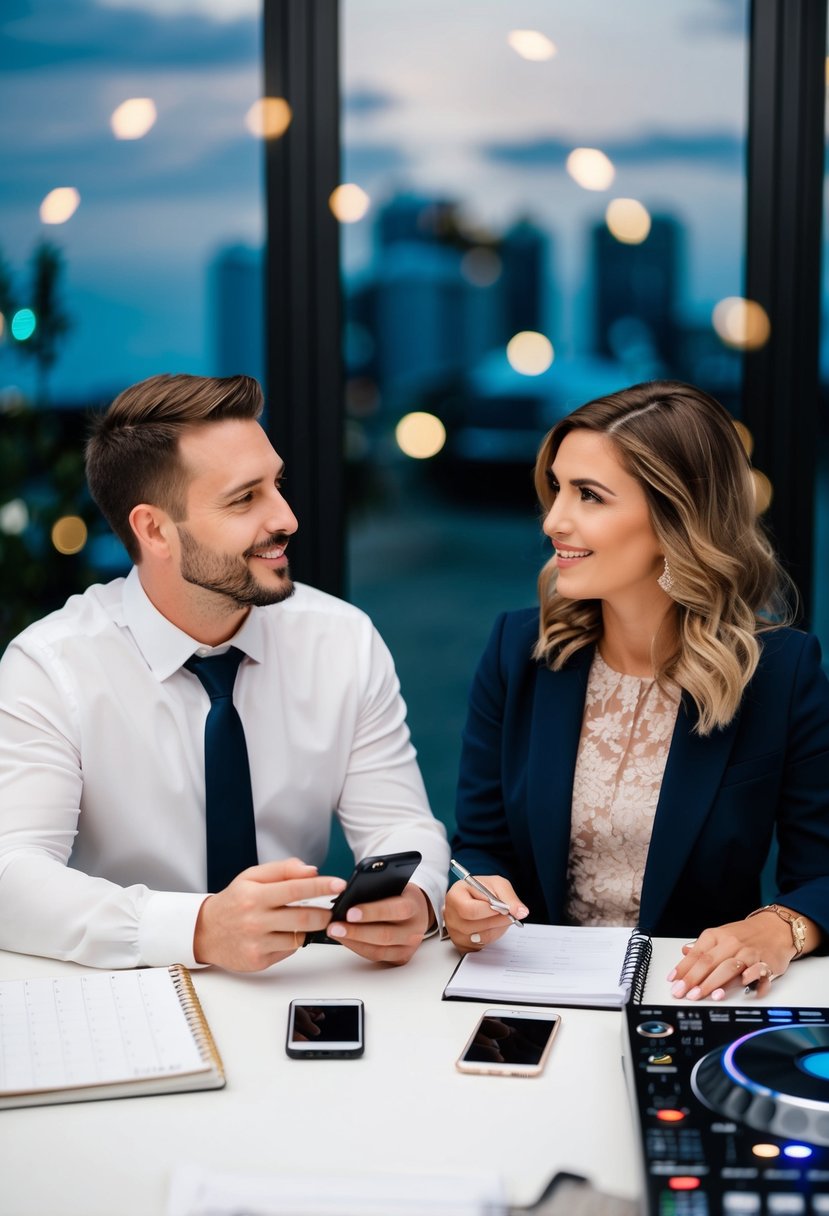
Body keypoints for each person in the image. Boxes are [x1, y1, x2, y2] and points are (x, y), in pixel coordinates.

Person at [0, 373, 449, 971]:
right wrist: (199, 929)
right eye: (245, 498)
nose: (286, 517)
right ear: (154, 529)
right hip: (123, 991)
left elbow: (399, 822)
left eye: (277, 485)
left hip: (296, 989)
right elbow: (12, 876)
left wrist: (416, 900)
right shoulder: (52, 667)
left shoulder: (343, 640)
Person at [445, 380, 829, 1002]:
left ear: (678, 516)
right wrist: (472, 898)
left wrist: (778, 927)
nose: (553, 521)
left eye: (589, 496)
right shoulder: (518, 652)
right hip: (530, 991)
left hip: (692, 996)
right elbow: (482, 843)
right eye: (558, 490)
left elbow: (822, 874)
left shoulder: (782, 673)